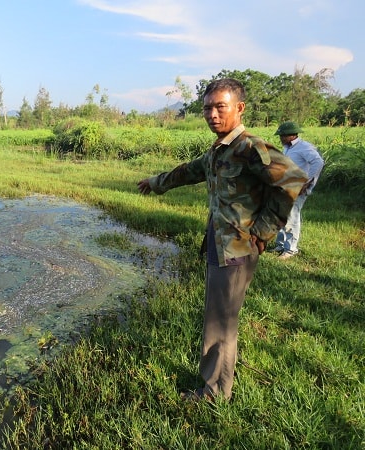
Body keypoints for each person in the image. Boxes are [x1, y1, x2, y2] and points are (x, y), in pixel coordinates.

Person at [137, 78, 307, 402]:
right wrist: (156, 183)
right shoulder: (219, 150)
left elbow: (293, 179)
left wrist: (264, 230)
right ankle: (223, 373)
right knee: (224, 316)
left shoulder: (249, 147)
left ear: (239, 108)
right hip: (220, 244)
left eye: (220, 107)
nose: (212, 114)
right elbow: (187, 171)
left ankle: (214, 392)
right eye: (207, 108)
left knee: (219, 322)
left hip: (237, 249)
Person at [273, 121, 325, 259]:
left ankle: (290, 249)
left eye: (282, 136)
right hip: (287, 186)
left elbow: (318, 162)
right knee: (283, 215)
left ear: (291, 135)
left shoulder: (304, 147)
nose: (280, 138)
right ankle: (281, 244)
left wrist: (306, 182)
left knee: (292, 216)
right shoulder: (288, 148)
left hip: (298, 188)